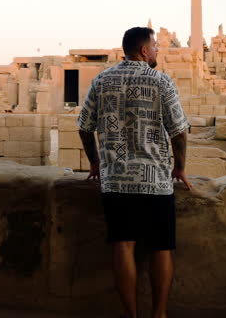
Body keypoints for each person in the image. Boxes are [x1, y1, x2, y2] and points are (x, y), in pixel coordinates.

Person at [78, 26, 191, 318]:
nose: (157, 51)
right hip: (155, 181)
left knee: (123, 245)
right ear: (144, 50)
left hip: (116, 179)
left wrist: (94, 162)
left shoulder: (101, 81)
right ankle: (160, 314)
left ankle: (130, 315)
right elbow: (179, 131)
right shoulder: (161, 82)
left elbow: (84, 126)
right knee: (161, 247)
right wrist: (179, 168)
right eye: (155, 46)